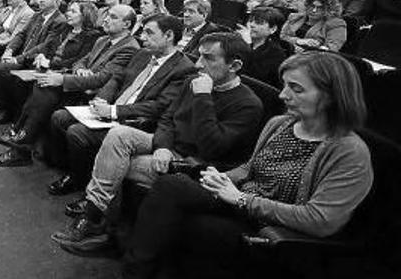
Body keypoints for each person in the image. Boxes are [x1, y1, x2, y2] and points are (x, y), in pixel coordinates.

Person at [118, 52, 373, 279]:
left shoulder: (349, 151)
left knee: (191, 224)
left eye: (296, 89)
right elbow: (251, 168)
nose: (283, 95)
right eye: (285, 86)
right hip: (239, 200)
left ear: (331, 96)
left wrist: (241, 199)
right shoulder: (280, 123)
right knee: (171, 185)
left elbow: (320, 220)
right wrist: (221, 178)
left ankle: (140, 269)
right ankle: (137, 270)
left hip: (272, 225)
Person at [52, 33, 264, 255]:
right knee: (118, 134)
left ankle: (107, 232)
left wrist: (203, 98)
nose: (199, 64)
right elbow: (168, 118)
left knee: (117, 165)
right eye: (199, 56)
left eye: (208, 58)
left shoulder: (248, 104)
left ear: (235, 65)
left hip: (194, 163)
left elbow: (211, 147)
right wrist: (162, 146)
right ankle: (94, 215)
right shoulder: (194, 81)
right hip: (170, 146)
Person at [47, 15, 197, 191]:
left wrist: (113, 110)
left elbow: (158, 107)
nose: (143, 37)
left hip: (137, 122)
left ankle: (79, 180)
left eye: (149, 33)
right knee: (59, 117)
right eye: (143, 32)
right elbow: (117, 79)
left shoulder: (184, 68)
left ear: (169, 35)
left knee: (77, 132)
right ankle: (73, 169)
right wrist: (103, 98)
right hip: (112, 109)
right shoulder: (143, 54)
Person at [0, 3, 133, 168]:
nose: (106, 19)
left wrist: (63, 79)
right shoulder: (103, 39)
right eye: (107, 15)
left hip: (96, 96)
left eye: (113, 17)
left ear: (127, 24)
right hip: (80, 83)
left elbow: (102, 79)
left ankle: (21, 142)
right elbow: (81, 61)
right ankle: (21, 139)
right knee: (42, 85)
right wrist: (81, 70)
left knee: (46, 88)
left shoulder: (128, 47)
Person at [0, 0, 67, 125]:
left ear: (56, 2)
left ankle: (7, 110)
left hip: (35, 60)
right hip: (21, 55)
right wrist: (9, 50)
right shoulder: (37, 15)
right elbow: (21, 34)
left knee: (3, 68)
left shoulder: (59, 21)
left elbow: (45, 46)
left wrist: (17, 58)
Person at [281, 0, 347, 52]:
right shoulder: (295, 17)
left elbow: (331, 49)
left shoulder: (336, 24)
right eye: (312, 6)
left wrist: (307, 49)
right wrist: (298, 41)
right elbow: (282, 37)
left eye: (320, 8)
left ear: (329, 10)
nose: (314, 10)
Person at [237, 6, 288, 88]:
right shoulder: (239, 41)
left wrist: (246, 45)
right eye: (250, 21)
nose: (252, 25)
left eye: (259, 22)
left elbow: (252, 76)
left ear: (273, 29)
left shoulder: (276, 54)